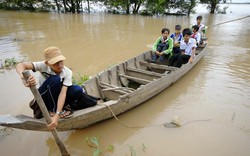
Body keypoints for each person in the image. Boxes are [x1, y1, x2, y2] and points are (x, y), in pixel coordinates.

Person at [16, 46, 98, 129]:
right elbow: (21, 65)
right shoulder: (42, 66)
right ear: (47, 63)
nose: (60, 65)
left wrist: (57, 114)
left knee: (77, 89)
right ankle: (51, 111)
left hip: (57, 97)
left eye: (61, 61)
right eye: (56, 63)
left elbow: (63, 93)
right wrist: (23, 77)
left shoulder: (67, 72)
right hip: (43, 97)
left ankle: (58, 110)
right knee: (55, 79)